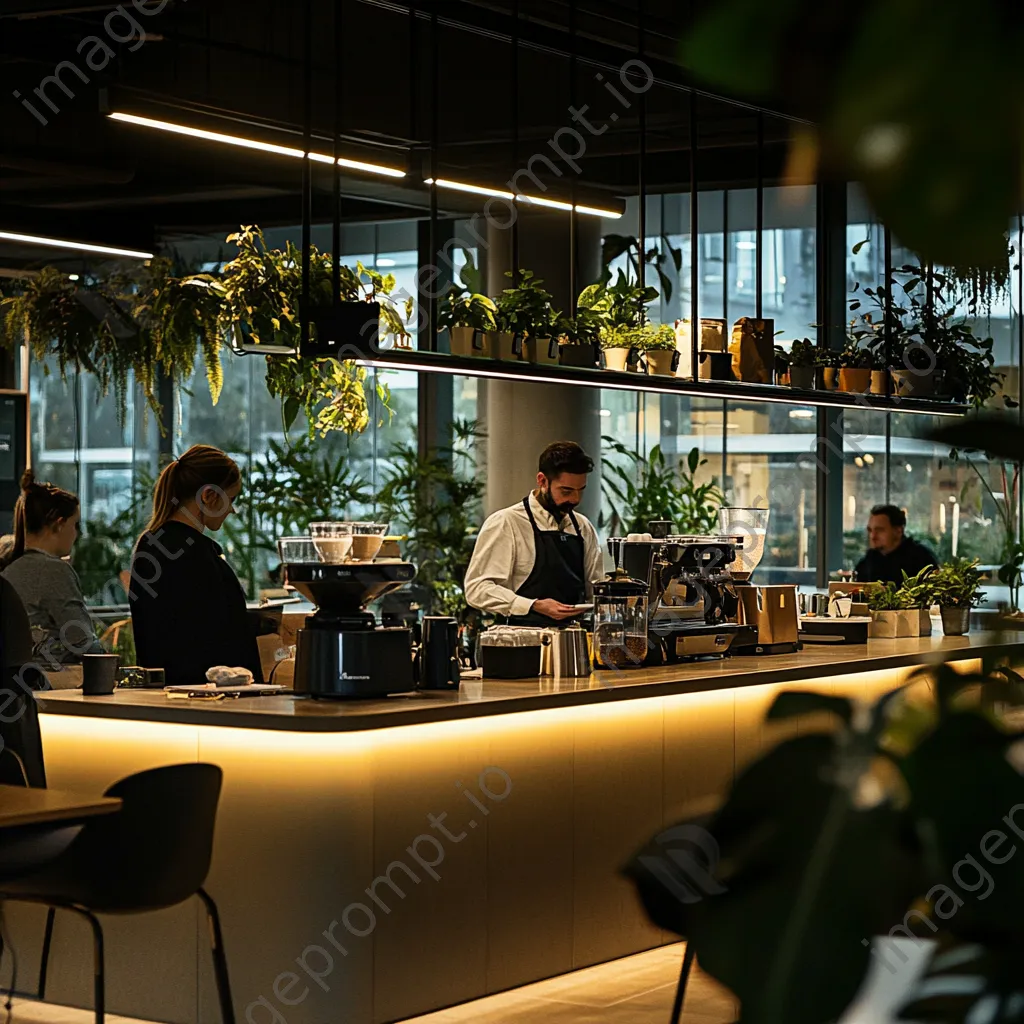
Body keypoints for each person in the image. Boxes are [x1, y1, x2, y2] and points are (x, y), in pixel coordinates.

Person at [130, 445, 263, 686]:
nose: (232, 509)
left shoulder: (151, 546)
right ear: (208, 496)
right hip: (208, 694)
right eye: (230, 499)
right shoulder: (196, 554)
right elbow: (215, 633)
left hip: (165, 693)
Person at [465, 440, 604, 626]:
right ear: (542, 481)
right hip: (520, 643)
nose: (575, 499)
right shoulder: (507, 523)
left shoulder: (583, 527)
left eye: (581, 491)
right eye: (566, 491)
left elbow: (596, 591)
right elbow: (478, 589)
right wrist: (533, 605)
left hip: (572, 641)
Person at [0, 470, 103, 665]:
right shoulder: (54, 571)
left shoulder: (9, 569)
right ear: (59, 524)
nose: (77, 534)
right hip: (52, 687)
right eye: (75, 525)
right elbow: (83, 642)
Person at [854, 504, 938, 585]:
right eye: (870, 530)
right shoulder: (868, 561)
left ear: (898, 531)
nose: (872, 536)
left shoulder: (921, 559)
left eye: (879, 530)